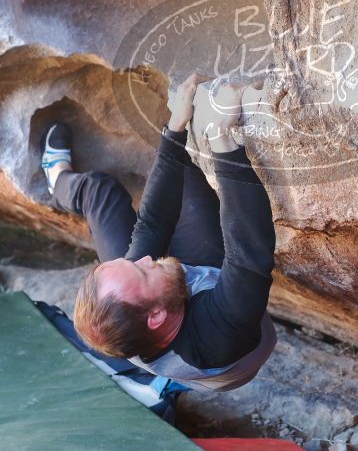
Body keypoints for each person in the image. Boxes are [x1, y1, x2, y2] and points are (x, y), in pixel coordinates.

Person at [36, 74, 276, 420]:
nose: (145, 258)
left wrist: (175, 127)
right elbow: (249, 253)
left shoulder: (136, 297)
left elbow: (152, 224)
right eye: (140, 269)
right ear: (157, 316)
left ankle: (57, 179)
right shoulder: (217, 336)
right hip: (227, 328)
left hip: (173, 299)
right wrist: (223, 137)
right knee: (198, 180)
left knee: (99, 191)